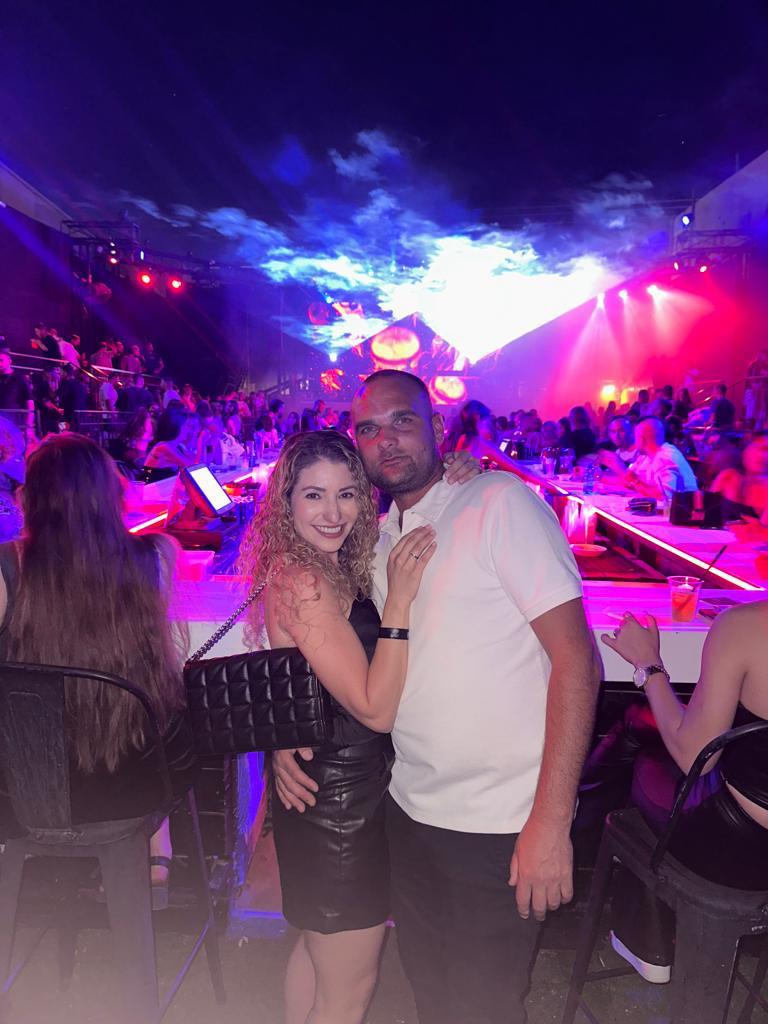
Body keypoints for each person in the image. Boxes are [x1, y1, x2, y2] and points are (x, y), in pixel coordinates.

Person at [275, 370, 601, 1024]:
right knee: (430, 994)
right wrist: (284, 733)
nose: (387, 439)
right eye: (369, 428)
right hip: (405, 811)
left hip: (499, 823)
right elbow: (316, 649)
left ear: (438, 427)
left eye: (403, 419)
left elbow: (578, 661)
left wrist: (549, 819)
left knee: (482, 1006)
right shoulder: (371, 542)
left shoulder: (499, 504)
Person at [239, 430, 440, 1024]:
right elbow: (374, 709)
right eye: (314, 496)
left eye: (347, 494)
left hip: (330, 791)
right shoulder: (304, 581)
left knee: (317, 949)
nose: (333, 513)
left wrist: (452, 465)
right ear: (286, 502)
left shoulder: (316, 566)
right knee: (348, 990)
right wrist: (398, 602)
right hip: (340, 806)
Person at [0, 434, 196, 907]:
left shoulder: (8, 567)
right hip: (130, 786)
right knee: (159, 704)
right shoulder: (157, 556)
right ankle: (157, 851)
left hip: (24, 791)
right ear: (112, 493)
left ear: (32, 498)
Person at [579, 603, 768, 983]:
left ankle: (637, 930)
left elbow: (695, 755)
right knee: (644, 726)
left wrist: (648, 664)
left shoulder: (746, 625)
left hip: (741, 852)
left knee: (648, 751)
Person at [622, 417, 698, 499]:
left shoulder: (665, 457)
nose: (635, 441)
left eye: (635, 437)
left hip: (683, 506)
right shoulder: (646, 456)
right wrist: (634, 482)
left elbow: (664, 496)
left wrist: (636, 482)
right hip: (666, 505)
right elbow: (628, 477)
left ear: (642, 439)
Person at [711, 432, 768, 521]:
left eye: (766, 451)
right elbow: (708, 512)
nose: (763, 456)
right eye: (758, 448)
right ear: (745, 452)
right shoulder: (727, 477)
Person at [145, 404, 195, 474]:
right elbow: (194, 468)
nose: (188, 429)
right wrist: (201, 442)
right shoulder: (164, 447)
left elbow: (195, 460)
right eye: (186, 425)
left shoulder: (177, 445)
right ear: (175, 428)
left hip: (161, 481)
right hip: (147, 481)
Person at [0, 349, 35, 442]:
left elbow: (30, 403)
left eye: (1, 360)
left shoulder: (20, 378)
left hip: (14, 424)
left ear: (9, 361)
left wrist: (29, 426)